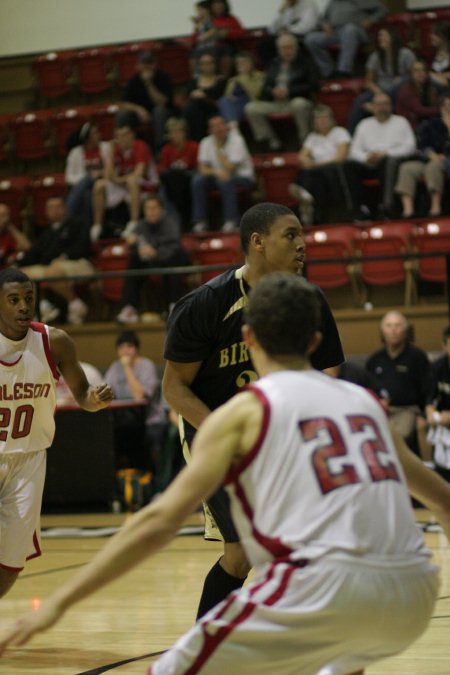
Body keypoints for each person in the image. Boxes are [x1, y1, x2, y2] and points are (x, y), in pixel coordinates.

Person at [2, 272, 450, 675]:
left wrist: (57, 605)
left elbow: (158, 523)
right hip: (413, 594)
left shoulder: (246, 412)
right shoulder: (364, 405)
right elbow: (444, 501)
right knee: (342, 655)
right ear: (316, 342)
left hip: (323, 589)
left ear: (249, 337)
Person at [163, 201, 344, 620]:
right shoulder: (205, 304)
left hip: (283, 433)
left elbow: (330, 367)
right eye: (291, 234)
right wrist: (234, 435)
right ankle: (208, 645)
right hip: (217, 434)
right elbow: (174, 389)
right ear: (257, 242)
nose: (303, 244)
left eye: (303, 235)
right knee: (243, 550)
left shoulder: (309, 299)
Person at [0, 267, 113, 598]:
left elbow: (82, 395)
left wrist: (94, 400)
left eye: (29, 299)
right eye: (13, 300)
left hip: (29, 460)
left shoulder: (55, 342)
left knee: (11, 560)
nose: (24, 306)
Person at [16, 197, 93, 325]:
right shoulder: (46, 232)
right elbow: (35, 253)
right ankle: (43, 306)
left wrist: (65, 255)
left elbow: (84, 247)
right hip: (51, 266)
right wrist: (18, 263)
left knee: (53, 271)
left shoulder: (77, 224)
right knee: (21, 275)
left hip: (78, 263)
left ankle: (76, 304)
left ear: (65, 209)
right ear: (46, 211)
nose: (54, 210)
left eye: (58, 207)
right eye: (50, 208)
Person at [366, 310, 432, 459]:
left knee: (397, 434)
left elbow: (427, 389)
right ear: (382, 331)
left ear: (406, 329)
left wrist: (424, 413)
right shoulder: (375, 360)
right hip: (381, 409)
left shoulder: (417, 357)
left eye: (398, 325)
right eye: (389, 326)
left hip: (408, 409)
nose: (393, 330)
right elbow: (368, 389)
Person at [116, 194, 191, 324]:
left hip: (168, 259)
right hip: (150, 262)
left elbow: (174, 247)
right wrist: (133, 245)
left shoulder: (170, 223)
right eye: (147, 208)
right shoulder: (141, 225)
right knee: (133, 263)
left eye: (154, 208)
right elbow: (135, 245)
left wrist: (155, 252)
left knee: (174, 261)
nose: (151, 211)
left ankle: (173, 305)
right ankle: (129, 308)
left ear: (161, 209)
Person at [344, 92, 417, 219]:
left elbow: (411, 147)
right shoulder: (364, 124)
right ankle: (359, 209)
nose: (382, 107)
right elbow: (354, 149)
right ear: (372, 107)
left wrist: (386, 153)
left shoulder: (401, 122)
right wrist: (366, 157)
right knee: (348, 166)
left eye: (385, 104)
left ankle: (386, 207)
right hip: (369, 163)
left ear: (391, 106)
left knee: (387, 162)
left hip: (392, 162)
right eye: (378, 104)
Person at [105, 330, 166, 477]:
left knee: (139, 438)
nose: (125, 350)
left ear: (136, 349)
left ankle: (149, 481)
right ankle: (123, 485)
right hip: (123, 419)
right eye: (121, 347)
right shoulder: (115, 367)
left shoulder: (146, 366)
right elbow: (104, 391)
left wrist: (127, 368)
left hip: (149, 420)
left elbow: (139, 397)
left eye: (129, 346)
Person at [245, 32, 318, 150]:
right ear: (278, 50)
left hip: (296, 100)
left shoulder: (305, 62)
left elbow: (314, 85)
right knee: (251, 108)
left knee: (300, 104)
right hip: (275, 102)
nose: (287, 51)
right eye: (284, 48)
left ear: (296, 48)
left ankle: (305, 141)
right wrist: (272, 91)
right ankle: (270, 141)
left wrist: (290, 91)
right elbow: (265, 87)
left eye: (290, 47)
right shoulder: (273, 64)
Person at [91, 123, 159, 241]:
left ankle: (134, 222)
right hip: (124, 185)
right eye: (118, 136)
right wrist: (111, 152)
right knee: (99, 185)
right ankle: (97, 226)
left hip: (146, 185)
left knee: (132, 182)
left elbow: (138, 173)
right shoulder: (115, 150)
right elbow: (107, 176)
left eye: (124, 135)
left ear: (132, 135)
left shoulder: (140, 146)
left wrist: (117, 180)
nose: (121, 139)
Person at [288, 104, 352, 224]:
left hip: (336, 168)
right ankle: (308, 201)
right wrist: (308, 162)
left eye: (325, 117)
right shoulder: (312, 137)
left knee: (317, 172)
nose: (322, 121)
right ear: (314, 121)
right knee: (310, 174)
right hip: (318, 171)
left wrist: (315, 164)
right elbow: (301, 156)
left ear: (331, 119)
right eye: (318, 118)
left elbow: (340, 157)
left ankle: (303, 192)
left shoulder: (340, 132)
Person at [191, 115, 255, 233]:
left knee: (225, 180)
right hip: (218, 176)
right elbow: (202, 168)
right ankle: (200, 221)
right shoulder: (206, 142)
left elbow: (230, 167)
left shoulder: (237, 140)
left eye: (221, 124)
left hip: (244, 178)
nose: (219, 128)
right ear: (210, 130)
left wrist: (219, 150)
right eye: (215, 126)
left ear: (226, 126)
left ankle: (231, 220)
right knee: (198, 181)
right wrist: (216, 172)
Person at [347, 26, 416, 134]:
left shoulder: (406, 54)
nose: (381, 38)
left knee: (403, 81)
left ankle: (377, 105)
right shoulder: (375, 56)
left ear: (393, 37)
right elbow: (369, 81)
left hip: (401, 90)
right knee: (359, 101)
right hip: (380, 89)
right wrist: (378, 92)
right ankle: (350, 136)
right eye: (379, 36)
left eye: (384, 35)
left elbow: (414, 74)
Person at [395, 94, 450, 218]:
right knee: (407, 168)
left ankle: (435, 207)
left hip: (445, 160)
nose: (447, 109)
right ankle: (408, 210)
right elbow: (422, 144)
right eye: (445, 106)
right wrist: (431, 154)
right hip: (429, 158)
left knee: (433, 167)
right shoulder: (430, 124)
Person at [304, 0, 387, 79]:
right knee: (310, 39)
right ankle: (329, 72)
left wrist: (371, 20)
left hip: (357, 30)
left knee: (349, 29)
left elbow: (382, 10)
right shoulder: (332, 3)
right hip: (336, 32)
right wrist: (325, 25)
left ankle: (344, 71)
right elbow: (322, 20)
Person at [120, 50, 173, 152]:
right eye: (144, 64)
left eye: (150, 63)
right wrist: (138, 110)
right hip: (141, 115)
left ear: (155, 64)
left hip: (162, 114)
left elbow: (162, 102)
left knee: (159, 111)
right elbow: (123, 103)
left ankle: (160, 149)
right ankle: (124, 148)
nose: (147, 66)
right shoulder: (134, 80)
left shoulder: (163, 77)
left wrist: (148, 83)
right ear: (138, 65)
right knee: (123, 114)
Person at [64, 122, 109, 227]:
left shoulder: (106, 147)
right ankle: (89, 230)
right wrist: (89, 177)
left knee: (89, 185)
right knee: (87, 194)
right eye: (95, 133)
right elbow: (69, 177)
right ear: (86, 138)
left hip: (105, 185)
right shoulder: (75, 153)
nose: (99, 135)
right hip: (85, 188)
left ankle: (66, 217)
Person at [158, 117, 199, 231]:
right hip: (173, 184)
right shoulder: (166, 150)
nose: (175, 134)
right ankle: (174, 223)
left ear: (184, 132)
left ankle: (195, 221)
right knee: (163, 191)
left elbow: (198, 168)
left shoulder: (193, 146)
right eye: (172, 132)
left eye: (178, 131)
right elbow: (163, 170)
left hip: (189, 180)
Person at [182, 50, 227, 142]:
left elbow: (223, 102)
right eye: (203, 63)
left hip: (213, 110)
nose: (206, 66)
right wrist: (192, 96)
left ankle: (197, 140)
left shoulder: (221, 81)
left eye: (209, 63)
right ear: (199, 66)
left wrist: (205, 97)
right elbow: (185, 99)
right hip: (195, 112)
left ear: (215, 64)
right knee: (194, 106)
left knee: (197, 105)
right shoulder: (193, 83)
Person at [425, 324, 450, 477]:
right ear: (444, 346)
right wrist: (431, 413)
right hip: (442, 420)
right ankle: (432, 471)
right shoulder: (437, 367)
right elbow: (429, 399)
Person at [217, 51, 265, 128]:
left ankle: (232, 129)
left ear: (251, 63)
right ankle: (233, 127)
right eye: (238, 63)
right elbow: (227, 96)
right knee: (223, 100)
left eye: (243, 62)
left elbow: (257, 94)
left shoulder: (260, 76)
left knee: (228, 110)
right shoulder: (232, 80)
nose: (240, 65)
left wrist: (244, 77)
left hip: (250, 103)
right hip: (235, 104)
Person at [395, 59, 440, 131]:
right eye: (416, 70)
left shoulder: (428, 88)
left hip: (423, 123)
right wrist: (441, 109)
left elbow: (433, 105)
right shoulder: (406, 91)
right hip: (409, 127)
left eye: (423, 70)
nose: (421, 73)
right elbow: (420, 111)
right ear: (411, 73)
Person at [0, 202, 30, 268]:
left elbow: (26, 246)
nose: (6, 219)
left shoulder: (8, 235)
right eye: (2, 215)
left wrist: (11, 227)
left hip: (8, 272)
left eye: (7, 215)